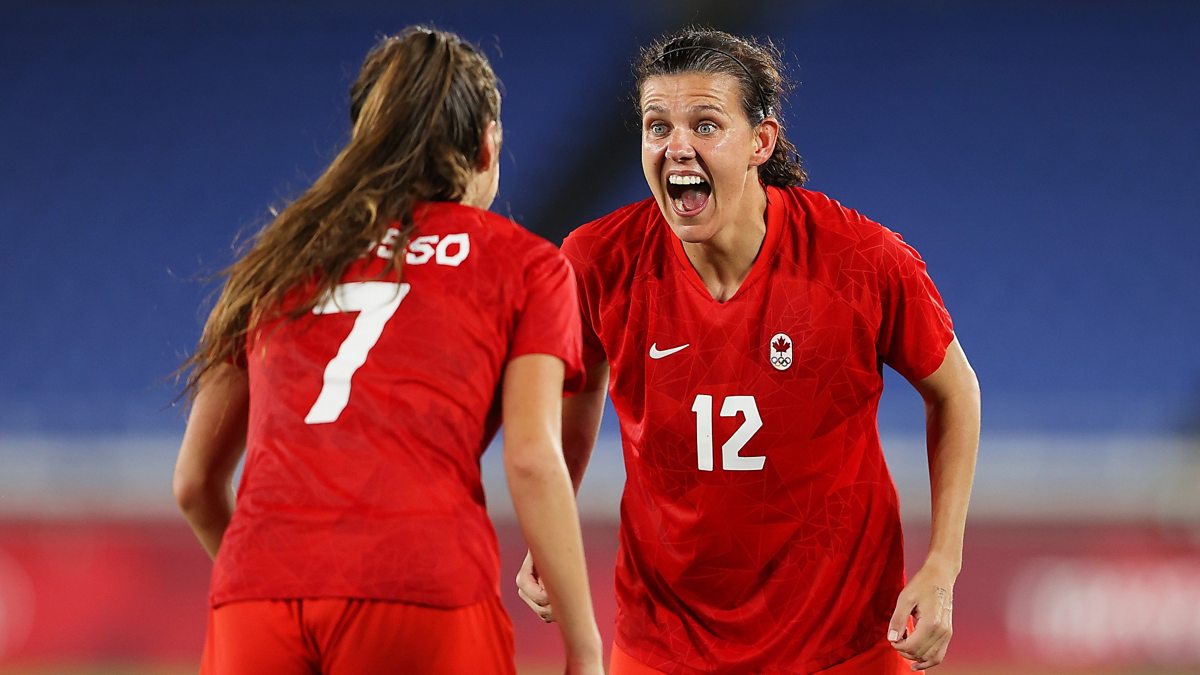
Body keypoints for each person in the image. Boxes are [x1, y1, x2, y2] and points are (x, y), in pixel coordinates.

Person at [517, 27, 980, 674]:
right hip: (664, 642)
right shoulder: (598, 259)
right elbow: (581, 382)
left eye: (705, 125)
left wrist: (942, 565)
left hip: (842, 641)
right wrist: (552, 520)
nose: (677, 146)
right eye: (657, 126)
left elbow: (954, 392)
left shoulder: (861, 260)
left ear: (760, 141)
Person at [173, 27, 603, 675]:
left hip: (256, 594)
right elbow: (532, 459)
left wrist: (270, 577)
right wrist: (584, 647)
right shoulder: (526, 265)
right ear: (488, 145)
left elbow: (194, 484)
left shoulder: (280, 258)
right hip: (418, 585)